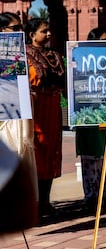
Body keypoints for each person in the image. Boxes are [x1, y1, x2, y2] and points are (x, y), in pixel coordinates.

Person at [74, 27, 106, 211]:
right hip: (90, 119)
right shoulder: (81, 63)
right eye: (103, 40)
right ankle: (91, 197)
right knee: (92, 159)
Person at [25, 18, 66, 216]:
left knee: (51, 152)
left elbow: (64, 81)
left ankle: (45, 201)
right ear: (32, 35)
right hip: (35, 108)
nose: (48, 34)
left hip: (52, 107)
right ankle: (33, 201)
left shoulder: (55, 55)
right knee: (36, 151)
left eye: (49, 30)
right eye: (44, 31)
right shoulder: (23, 55)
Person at [0, 12, 38, 222]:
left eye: (20, 28)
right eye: (15, 29)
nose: (19, 33)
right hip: (3, 119)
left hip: (19, 117)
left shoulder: (17, 53)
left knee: (21, 154)